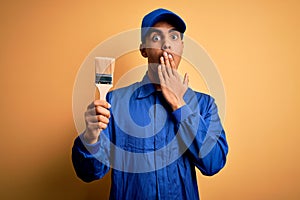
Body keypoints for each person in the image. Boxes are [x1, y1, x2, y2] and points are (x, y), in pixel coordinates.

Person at [72, 8, 228, 200]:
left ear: (182, 47)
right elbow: (89, 173)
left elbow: (214, 163)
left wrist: (180, 105)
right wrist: (90, 137)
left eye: (173, 37)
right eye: (156, 37)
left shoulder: (204, 105)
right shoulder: (114, 103)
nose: (166, 45)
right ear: (143, 49)